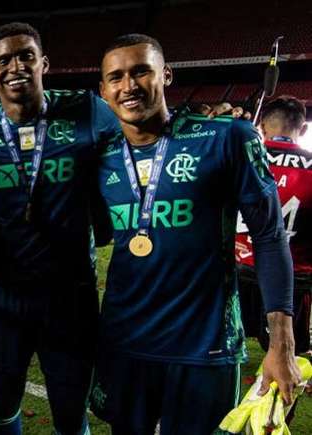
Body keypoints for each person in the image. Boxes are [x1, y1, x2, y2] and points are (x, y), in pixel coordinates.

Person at [91, 33, 301, 434]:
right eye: (115, 77)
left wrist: (281, 343)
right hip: (124, 345)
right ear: (103, 91)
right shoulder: (99, 157)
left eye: (140, 72)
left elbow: (270, 236)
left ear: (165, 75)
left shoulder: (225, 138)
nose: (128, 85)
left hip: (204, 348)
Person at [0, 22, 120, 434]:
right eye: (4, 60)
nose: (16, 66)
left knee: (69, 407)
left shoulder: (88, 110)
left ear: (43, 63)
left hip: (69, 297)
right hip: (3, 297)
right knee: (3, 400)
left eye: (26, 55)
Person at [236, 95, 311, 355]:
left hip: (239, 268)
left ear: (263, 127)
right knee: (287, 354)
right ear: (302, 129)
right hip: (290, 277)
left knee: (230, 341)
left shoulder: (239, 159)